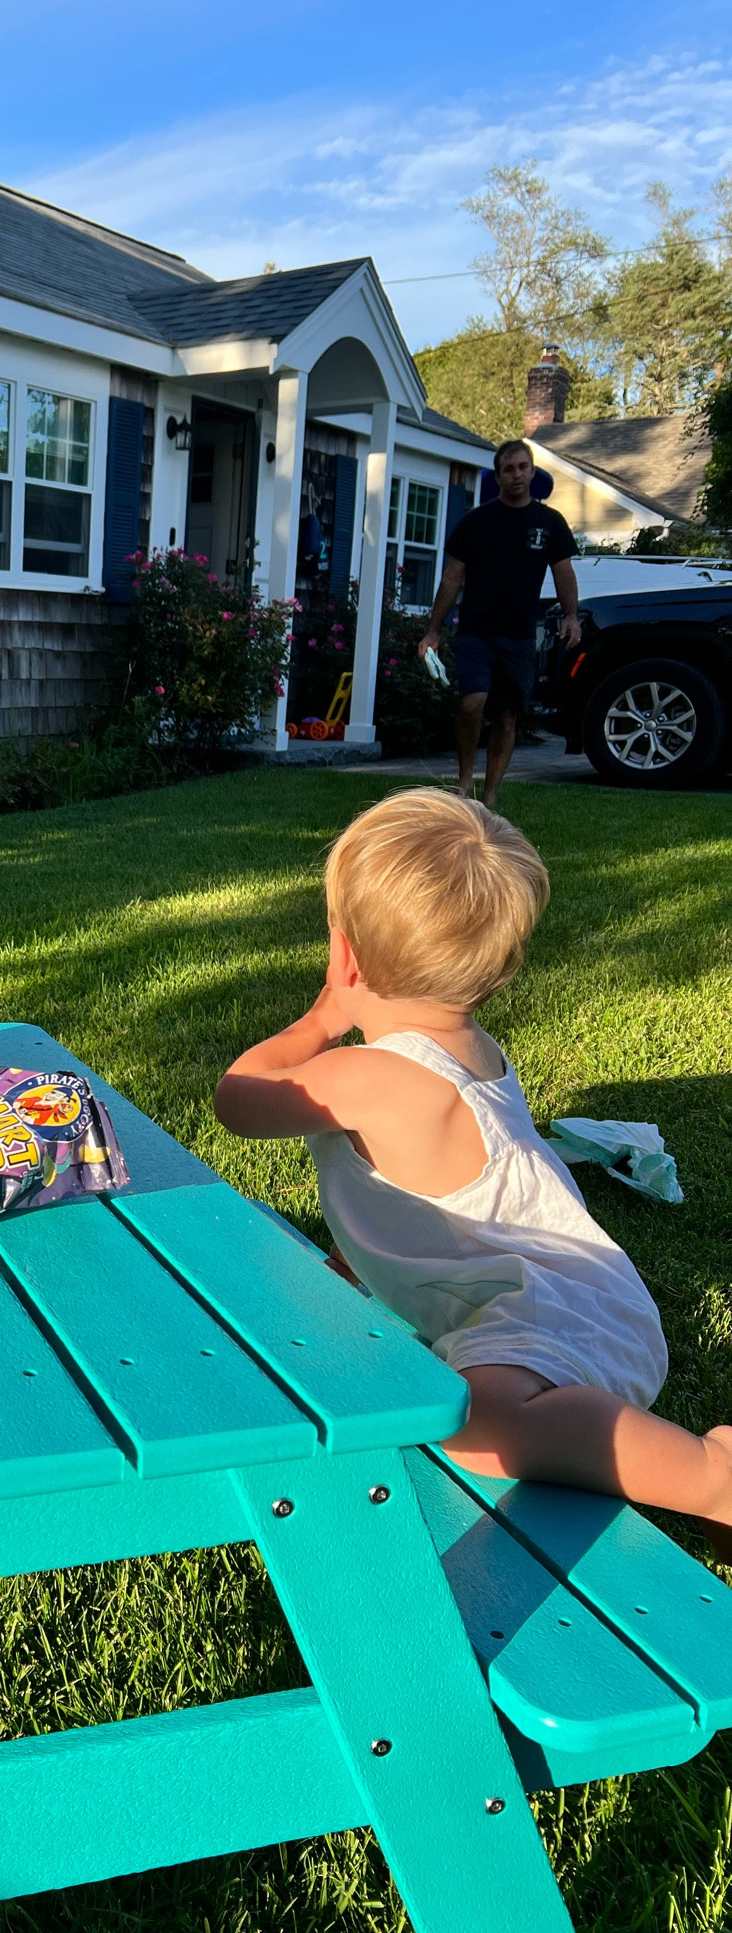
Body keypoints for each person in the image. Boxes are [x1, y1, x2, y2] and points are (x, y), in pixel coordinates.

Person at [214, 787, 732, 1550]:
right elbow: (427, 1196)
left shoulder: (372, 1075)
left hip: (547, 1329)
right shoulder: (471, 1049)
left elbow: (240, 1101)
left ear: (346, 953)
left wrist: (323, 1016)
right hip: (583, 1299)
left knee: (474, 1429)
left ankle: (710, 1475)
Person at [417, 441, 581, 808]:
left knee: (507, 717)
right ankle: (463, 782)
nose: (517, 475)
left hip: (520, 636)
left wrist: (571, 616)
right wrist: (433, 631)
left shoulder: (549, 523)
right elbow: (451, 580)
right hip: (476, 632)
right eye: (509, 469)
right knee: (472, 703)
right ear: (499, 476)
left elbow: (564, 573)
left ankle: (489, 797)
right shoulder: (476, 522)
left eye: (523, 467)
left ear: (533, 471)